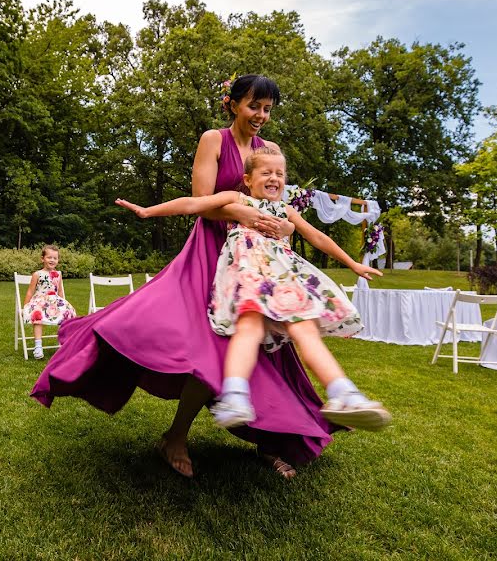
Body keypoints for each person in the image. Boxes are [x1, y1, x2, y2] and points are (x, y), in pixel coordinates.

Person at [32, 75, 328, 479]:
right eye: (253, 106)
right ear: (233, 104)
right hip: (210, 254)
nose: (260, 116)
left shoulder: (269, 151)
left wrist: (287, 229)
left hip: (257, 262)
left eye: (267, 109)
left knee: (269, 352)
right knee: (206, 348)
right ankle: (175, 436)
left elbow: (281, 207)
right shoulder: (214, 140)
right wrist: (239, 212)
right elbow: (202, 202)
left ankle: (270, 441)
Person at [115, 146, 391, 431]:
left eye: (280, 174)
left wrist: (353, 264)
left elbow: (317, 236)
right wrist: (148, 211)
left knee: (304, 329)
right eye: (266, 172)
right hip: (248, 276)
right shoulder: (237, 199)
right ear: (247, 179)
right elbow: (193, 204)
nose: (274, 178)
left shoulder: (285, 211)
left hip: (283, 280)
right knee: (250, 328)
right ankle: (235, 395)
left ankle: (343, 393)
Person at [22, 245, 77, 359]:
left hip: (54, 300)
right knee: (38, 315)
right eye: (49, 257)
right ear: (42, 259)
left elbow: (60, 291)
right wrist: (25, 306)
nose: (52, 260)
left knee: (67, 312)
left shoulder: (58, 274)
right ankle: (38, 345)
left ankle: (63, 343)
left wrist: (63, 302)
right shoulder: (37, 274)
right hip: (40, 301)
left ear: (58, 260)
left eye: (55, 258)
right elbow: (30, 292)